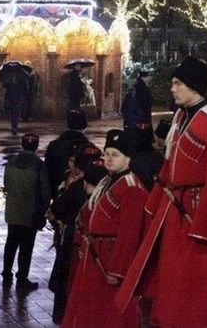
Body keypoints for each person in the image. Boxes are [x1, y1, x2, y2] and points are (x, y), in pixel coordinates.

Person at [115, 56, 207, 326]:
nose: (173, 89)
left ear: (194, 86)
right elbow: (169, 165)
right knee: (173, 273)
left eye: (178, 83)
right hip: (174, 208)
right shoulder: (181, 116)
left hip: (197, 212)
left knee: (200, 274)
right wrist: (155, 204)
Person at [62, 129, 147, 328]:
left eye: (115, 155)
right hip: (95, 255)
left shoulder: (132, 187)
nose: (109, 159)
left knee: (108, 313)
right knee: (91, 308)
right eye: (107, 153)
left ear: (128, 158)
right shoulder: (108, 180)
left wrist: (118, 270)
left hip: (109, 259)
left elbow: (130, 233)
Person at [48, 146, 101, 323]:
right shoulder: (105, 185)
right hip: (89, 242)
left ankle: (62, 315)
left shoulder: (77, 186)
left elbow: (57, 208)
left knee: (66, 276)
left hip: (73, 238)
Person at [2, 133, 50, 290]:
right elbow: (45, 191)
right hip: (30, 212)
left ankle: (6, 272)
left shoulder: (11, 162)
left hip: (13, 210)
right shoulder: (39, 165)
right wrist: (45, 210)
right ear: (36, 146)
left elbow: (6, 183)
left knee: (11, 243)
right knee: (26, 247)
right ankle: (22, 278)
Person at [44, 109, 90, 195]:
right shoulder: (89, 147)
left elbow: (47, 171)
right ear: (84, 126)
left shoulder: (54, 145)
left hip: (57, 193)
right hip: (83, 194)